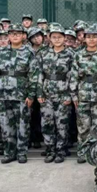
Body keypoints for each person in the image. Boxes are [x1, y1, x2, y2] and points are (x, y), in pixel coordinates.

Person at [0, 25, 39, 164]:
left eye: (18, 33)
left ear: (23, 35)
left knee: (23, 125)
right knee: (5, 125)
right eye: (12, 33)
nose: (15, 36)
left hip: (21, 94)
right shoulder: (0, 52)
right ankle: (9, 152)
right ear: (8, 36)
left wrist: (31, 95)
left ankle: (22, 152)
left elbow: (33, 75)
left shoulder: (29, 53)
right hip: (3, 94)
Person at [70, 24, 97, 163]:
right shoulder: (78, 55)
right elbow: (74, 76)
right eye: (89, 37)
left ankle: (96, 152)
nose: (92, 40)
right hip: (82, 94)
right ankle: (82, 152)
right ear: (84, 39)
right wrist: (74, 95)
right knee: (83, 126)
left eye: (94, 37)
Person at [36, 24, 76, 163]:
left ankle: (60, 150)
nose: (57, 39)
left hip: (63, 93)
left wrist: (69, 95)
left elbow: (73, 76)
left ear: (64, 38)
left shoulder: (70, 54)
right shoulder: (43, 53)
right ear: (49, 38)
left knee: (62, 124)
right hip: (47, 93)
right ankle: (50, 150)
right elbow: (39, 74)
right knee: (47, 123)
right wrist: (39, 92)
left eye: (59, 37)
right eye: (54, 37)